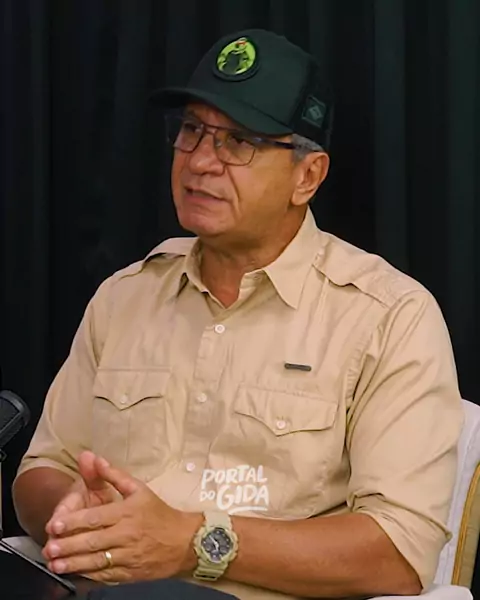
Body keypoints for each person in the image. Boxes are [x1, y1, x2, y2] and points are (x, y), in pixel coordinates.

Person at [12, 28, 463, 600]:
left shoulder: (388, 316)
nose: (201, 161)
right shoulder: (125, 297)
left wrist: (194, 543)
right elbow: (43, 467)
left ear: (307, 175)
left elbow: (399, 552)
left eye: (239, 141)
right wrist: (72, 510)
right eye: (192, 131)